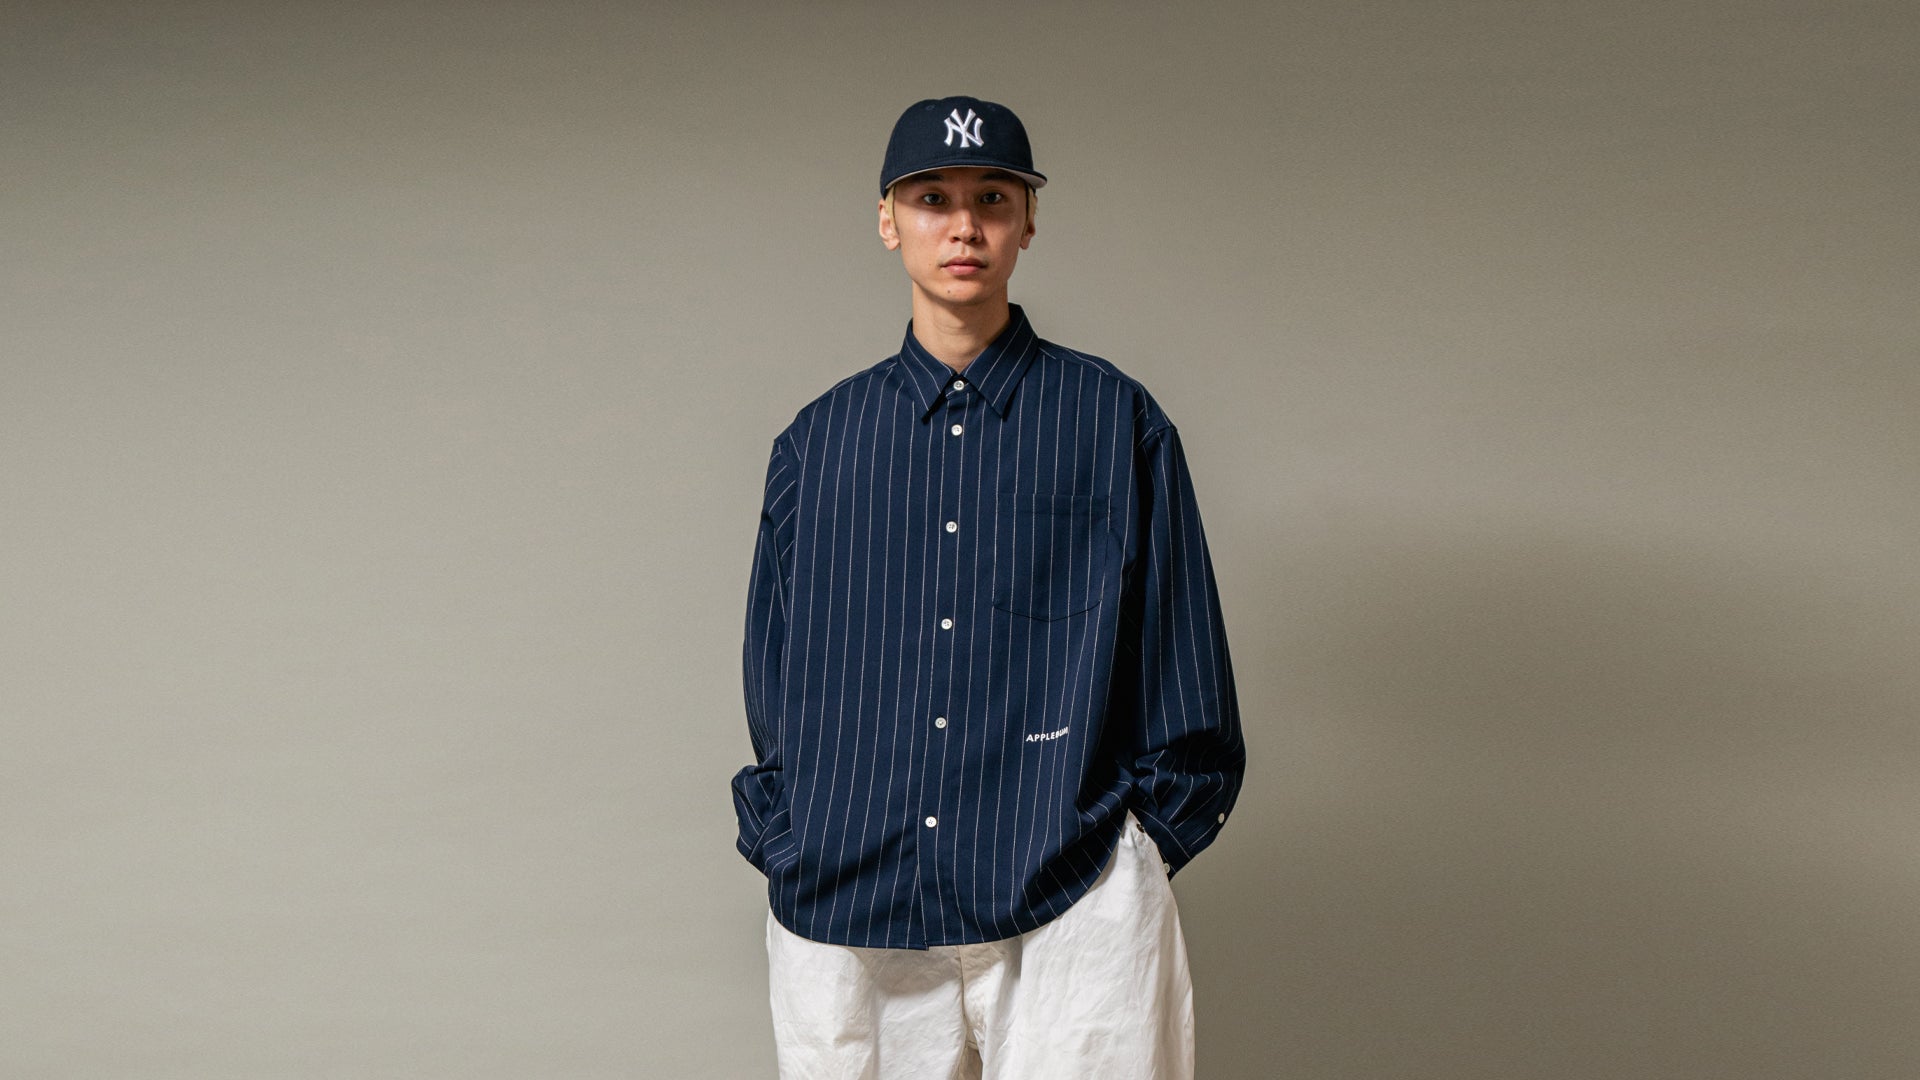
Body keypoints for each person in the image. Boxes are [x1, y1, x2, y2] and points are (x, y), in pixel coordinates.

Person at [731, 94, 1245, 1079]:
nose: (963, 226)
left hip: (1071, 900)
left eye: (992, 199)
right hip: (850, 903)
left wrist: (1134, 854)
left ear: (1028, 221)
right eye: (932, 198)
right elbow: (777, 667)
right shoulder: (820, 442)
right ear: (888, 221)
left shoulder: (1113, 421)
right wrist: (791, 835)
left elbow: (1184, 657)